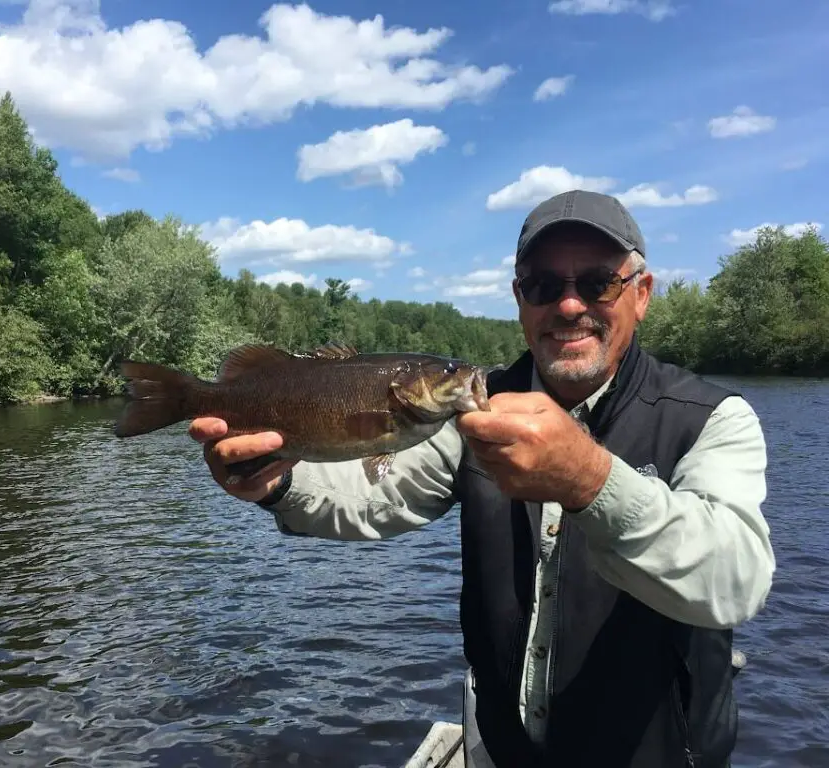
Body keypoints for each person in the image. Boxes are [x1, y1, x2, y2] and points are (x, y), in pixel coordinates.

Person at [188, 190, 776, 767]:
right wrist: (276, 484)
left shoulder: (712, 418)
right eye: (545, 287)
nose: (569, 306)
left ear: (641, 294)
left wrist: (591, 481)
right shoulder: (474, 411)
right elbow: (375, 494)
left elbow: (736, 580)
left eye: (596, 282)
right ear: (521, 300)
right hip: (504, 748)